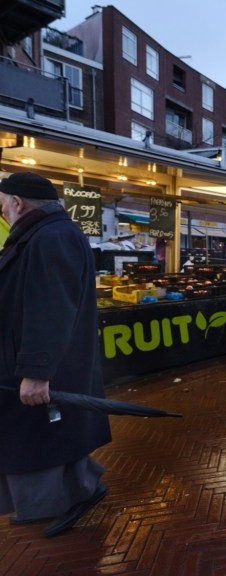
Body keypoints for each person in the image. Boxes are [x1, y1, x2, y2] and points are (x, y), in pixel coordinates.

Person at [0, 172, 111, 538]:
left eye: (2, 206)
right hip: (42, 361)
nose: (2, 214)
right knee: (57, 435)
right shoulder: (51, 233)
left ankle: (71, 497)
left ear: (17, 202)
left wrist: (36, 372)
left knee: (39, 438)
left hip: (39, 365)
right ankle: (81, 490)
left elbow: (50, 308)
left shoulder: (50, 237)